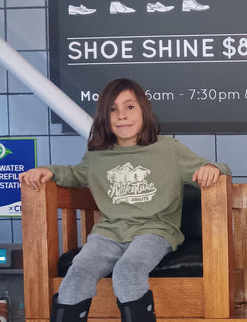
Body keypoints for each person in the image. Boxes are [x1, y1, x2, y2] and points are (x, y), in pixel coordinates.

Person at [19, 78, 231, 322]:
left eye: (130, 107)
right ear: (104, 117)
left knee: (127, 270)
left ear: (144, 110)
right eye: (113, 109)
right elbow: (78, 174)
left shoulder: (169, 149)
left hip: (154, 231)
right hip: (109, 233)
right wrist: (49, 171)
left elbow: (217, 168)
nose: (122, 115)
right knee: (78, 271)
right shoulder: (98, 154)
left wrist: (213, 168)